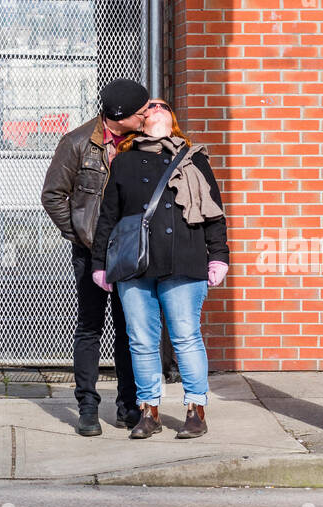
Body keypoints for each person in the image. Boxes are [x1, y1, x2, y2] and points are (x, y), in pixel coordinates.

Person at [90, 99, 229, 439]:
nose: (155, 108)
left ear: (172, 117)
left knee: (185, 336)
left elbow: (214, 212)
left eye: (161, 105)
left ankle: (196, 410)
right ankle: (148, 412)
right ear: (140, 120)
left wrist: (219, 256)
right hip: (136, 264)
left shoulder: (194, 159)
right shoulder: (123, 161)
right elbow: (108, 216)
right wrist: (99, 264)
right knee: (141, 340)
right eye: (148, 106)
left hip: (185, 260)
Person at [40, 78, 149, 437]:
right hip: (91, 253)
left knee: (127, 327)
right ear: (120, 115)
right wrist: (80, 236)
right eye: (140, 111)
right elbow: (53, 195)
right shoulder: (76, 143)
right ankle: (87, 405)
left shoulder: (141, 143)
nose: (146, 115)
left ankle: (127, 405)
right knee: (89, 327)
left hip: (130, 253)